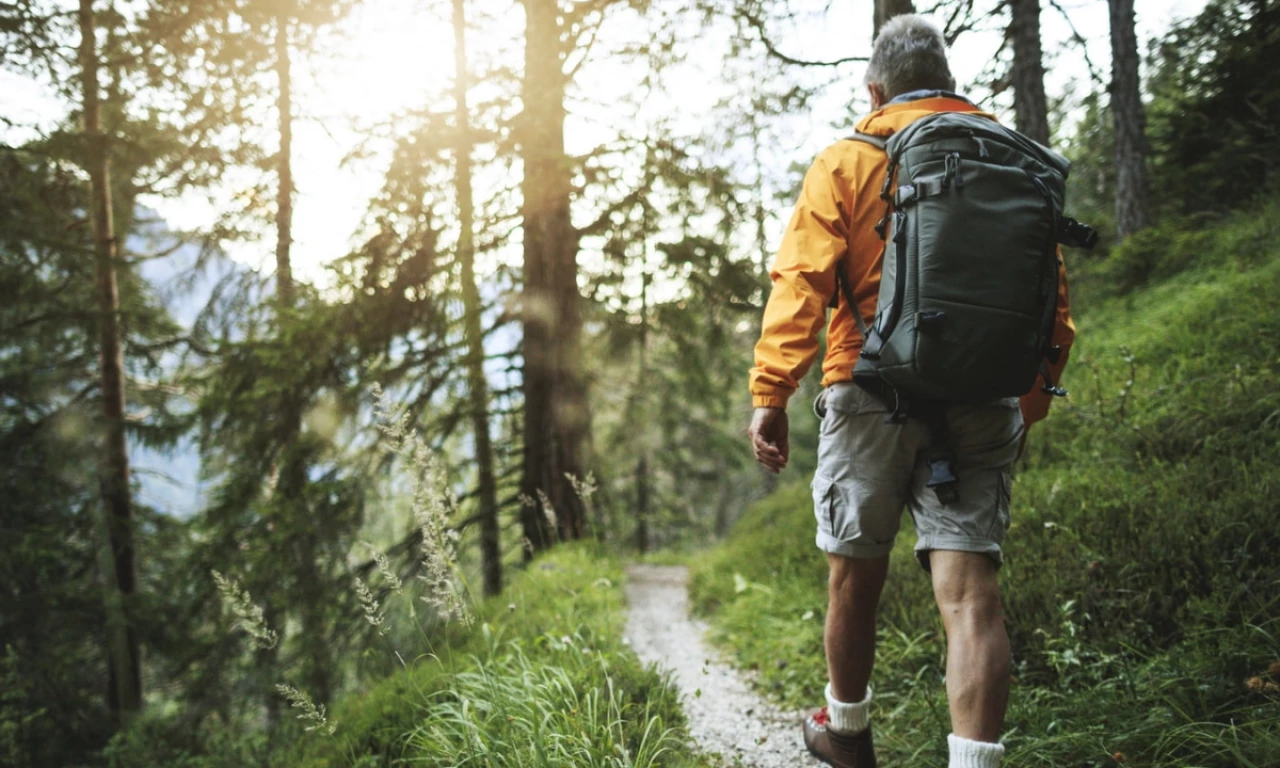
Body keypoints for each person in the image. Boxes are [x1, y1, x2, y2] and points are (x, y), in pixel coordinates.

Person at [746, 14, 1074, 768]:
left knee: (855, 576)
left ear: (874, 88)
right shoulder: (1013, 164)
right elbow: (1046, 298)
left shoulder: (848, 160)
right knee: (971, 595)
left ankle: (849, 733)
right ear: (952, 84)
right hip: (984, 394)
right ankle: (974, 763)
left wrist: (773, 389)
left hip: (868, 392)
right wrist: (1027, 398)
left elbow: (803, 282)